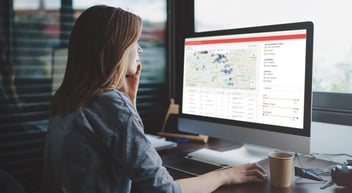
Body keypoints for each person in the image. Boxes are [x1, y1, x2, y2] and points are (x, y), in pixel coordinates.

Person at [41, 5, 267, 193]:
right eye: (134, 42)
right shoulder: (110, 104)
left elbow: (121, 146)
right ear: (116, 49)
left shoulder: (69, 99)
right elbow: (165, 190)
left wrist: (128, 100)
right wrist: (225, 175)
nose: (139, 50)